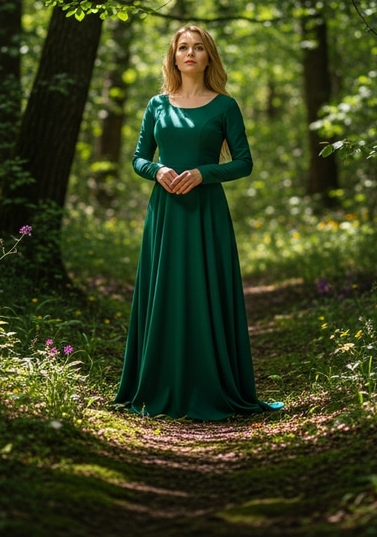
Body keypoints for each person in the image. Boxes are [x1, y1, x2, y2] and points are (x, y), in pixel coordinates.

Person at [114, 24, 283, 420]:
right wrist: (156, 171)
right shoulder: (157, 105)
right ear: (173, 56)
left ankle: (214, 385)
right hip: (166, 213)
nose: (190, 53)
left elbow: (244, 162)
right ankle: (158, 383)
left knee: (206, 292)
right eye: (183, 47)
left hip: (207, 214)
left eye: (199, 47)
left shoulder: (225, 106)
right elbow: (138, 157)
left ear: (209, 56)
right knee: (166, 291)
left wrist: (204, 173)